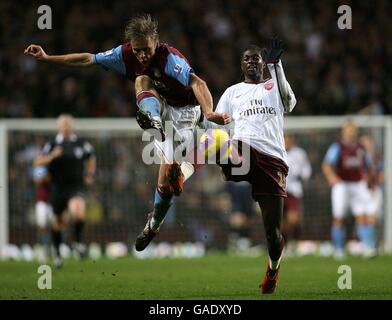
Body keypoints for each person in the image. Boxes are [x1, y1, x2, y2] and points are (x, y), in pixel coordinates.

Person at [24, 14, 229, 252]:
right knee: (141, 79)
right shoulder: (124, 55)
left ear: (157, 43)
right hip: (162, 108)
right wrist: (48, 57)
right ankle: (151, 117)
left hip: (185, 113)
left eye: (147, 50)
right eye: (138, 50)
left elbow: (198, 83)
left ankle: (153, 224)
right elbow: (87, 59)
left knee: (167, 182)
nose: (142, 55)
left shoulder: (170, 58)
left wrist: (209, 111)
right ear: (131, 46)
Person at [212, 39, 297, 294]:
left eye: (256, 58)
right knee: (220, 142)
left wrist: (277, 65)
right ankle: (182, 173)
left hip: (272, 160)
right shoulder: (231, 92)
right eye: (246, 58)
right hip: (244, 153)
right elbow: (216, 128)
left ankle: (272, 269)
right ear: (241, 64)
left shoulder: (273, 85)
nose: (251, 61)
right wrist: (213, 127)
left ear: (263, 63)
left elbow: (289, 103)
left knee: (273, 234)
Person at [34, 114, 96, 268]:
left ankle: (78, 242)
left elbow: (91, 157)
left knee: (77, 211)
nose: (67, 126)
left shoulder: (81, 143)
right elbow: (37, 162)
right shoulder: (52, 144)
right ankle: (58, 255)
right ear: (59, 127)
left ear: (72, 126)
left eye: (69, 124)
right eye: (64, 124)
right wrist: (52, 156)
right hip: (58, 188)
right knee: (58, 223)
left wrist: (89, 174)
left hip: (75, 186)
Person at [322, 121, 373, 260]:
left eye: (353, 130)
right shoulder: (337, 147)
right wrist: (332, 177)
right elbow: (326, 164)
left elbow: (368, 165)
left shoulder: (361, 147)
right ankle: (338, 249)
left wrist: (369, 179)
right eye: (349, 130)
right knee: (339, 217)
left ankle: (367, 247)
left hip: (358, 184)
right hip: (342, 185)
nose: (351, 132)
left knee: (363, 216)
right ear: (343, 132)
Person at [283, 133, 311, 256]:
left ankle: (295, 241)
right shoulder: (275, 151)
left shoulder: (300, 154)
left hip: (294, 190)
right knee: (280, 221)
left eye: (288, 139)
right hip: (278, 190)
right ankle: (283, 246)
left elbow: (306, 171)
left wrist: (302, 176)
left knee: (294, 220)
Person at [359, 135, 384, 257]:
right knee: (362, 218)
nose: (366, 146)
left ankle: (373, 245)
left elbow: (382, 173)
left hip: (374, 190)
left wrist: (377, 179)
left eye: (368, 143)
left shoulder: (377, 158)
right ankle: (367, 245)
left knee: (372, 218)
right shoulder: (359, 158)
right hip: (361, 189)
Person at [32, 165, 53, 261]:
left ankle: (53, 248)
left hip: (52, 201)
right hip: (41, 201)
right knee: (41, 226)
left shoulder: (55, 165)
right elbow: (37, 181)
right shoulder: (40, 167)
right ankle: (41, 248)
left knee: (55, 225)